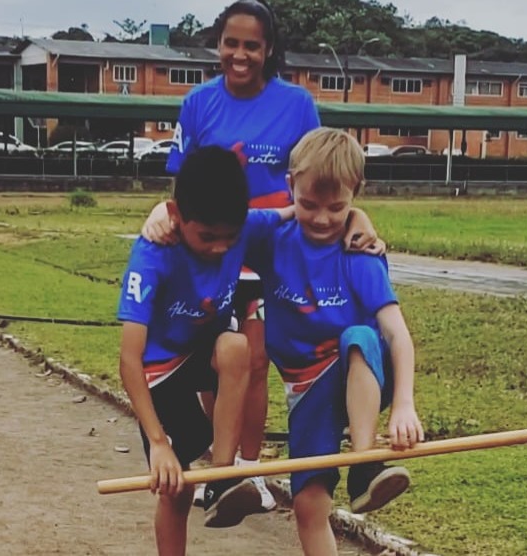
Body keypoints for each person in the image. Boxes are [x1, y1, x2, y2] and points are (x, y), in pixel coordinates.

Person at [158, 0, 365, 512]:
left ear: (269, 49)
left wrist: (356, 217)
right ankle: (219, 462)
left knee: (254, 357)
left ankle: (249, 470)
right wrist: (165, 220)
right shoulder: (199, 102)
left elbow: (324, 173)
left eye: (252, 45)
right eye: (232, 43)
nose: (240, 55)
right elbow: (182, 181)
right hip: (214, 249)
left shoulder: (297, 104)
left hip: (273, 248)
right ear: (219, 45)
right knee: (216, 355)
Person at [243, 128, 425, 555]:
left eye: (337, 207)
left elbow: (397, 333)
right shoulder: (274, 242)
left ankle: (365, 463)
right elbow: (226, 224)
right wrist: (291, 213)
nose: (323, 219)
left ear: (356, 193)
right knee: (309, 506)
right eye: (309, 204)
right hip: (309, 392)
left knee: (359, 335)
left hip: (365, 371)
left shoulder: (359, 255)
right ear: (290, 186)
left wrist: (404, 405)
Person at [118, 146, 294, 554]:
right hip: (159, 374)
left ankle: (221, 478)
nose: (219, 248)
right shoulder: (152, 255)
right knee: (175, 491)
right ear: (176, 216)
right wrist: (158, 442)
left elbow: (302, 212)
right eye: (207, 237)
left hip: (205, 355)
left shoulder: (246, 227)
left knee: (236, 345)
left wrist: (359, 218)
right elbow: (129, 360)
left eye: (228, 239)